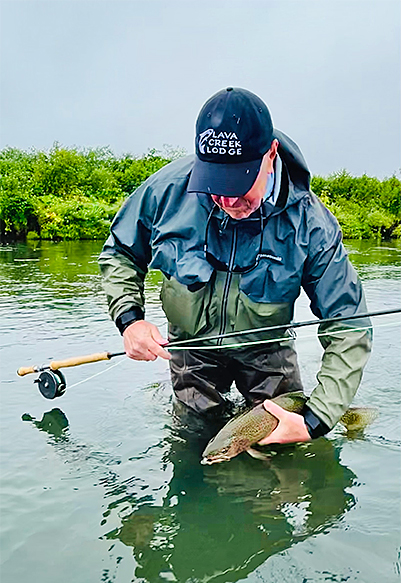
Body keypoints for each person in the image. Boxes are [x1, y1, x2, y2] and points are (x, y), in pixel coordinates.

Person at [98, 87, 371, 445]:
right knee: (193, 446)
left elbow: (348, 323)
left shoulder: (311, 224)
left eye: (239, 184)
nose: (227, 199)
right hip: (190, 351)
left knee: (281, 456)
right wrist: (130, 320)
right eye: (215, 183)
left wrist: (317, 419)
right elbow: (120, 251)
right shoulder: (165, 191)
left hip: (267, 351)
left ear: (270, 154)